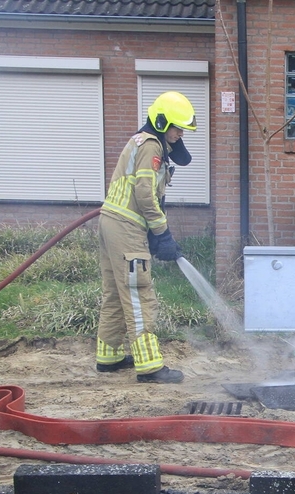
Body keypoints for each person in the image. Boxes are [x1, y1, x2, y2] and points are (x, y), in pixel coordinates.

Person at [94, 91, 196, 383]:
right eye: (177, 128)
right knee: (139, 292)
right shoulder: (151, 146)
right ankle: (150, 366)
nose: (179, 134)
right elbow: (144, 194)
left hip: (111, 223)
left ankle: (109, 356)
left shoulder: (143, 141)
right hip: (127, 227)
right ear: (162, 122)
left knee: (115, 291)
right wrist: (161, 233)